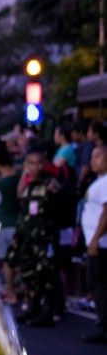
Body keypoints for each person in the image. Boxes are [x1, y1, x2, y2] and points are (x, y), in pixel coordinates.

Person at [6, 147, 59, 326]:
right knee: (29, 274)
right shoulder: (28, 186)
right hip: (26, 237)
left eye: (38, 163)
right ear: (26, 165)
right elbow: (21, 200)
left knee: (45, 275)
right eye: (31, 163)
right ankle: (33, 308)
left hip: (43, 239)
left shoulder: (50, 184)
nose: (35, 167)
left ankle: (48, 312)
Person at [80, 145, 107, 343]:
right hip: (97, 242)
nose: (93, 160)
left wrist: (96, 240)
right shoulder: (99, 181)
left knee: (100, 285)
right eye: (93, 156)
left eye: (98, 156)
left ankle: (102, 327)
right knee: (98, 284)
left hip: (101, 244)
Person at [0, 143, 21, 305]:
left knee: (6, 262)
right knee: (19, 259)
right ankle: (21, 289)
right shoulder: (20, 176)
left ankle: (10, 292)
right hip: (19, 223)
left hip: (3, 225)